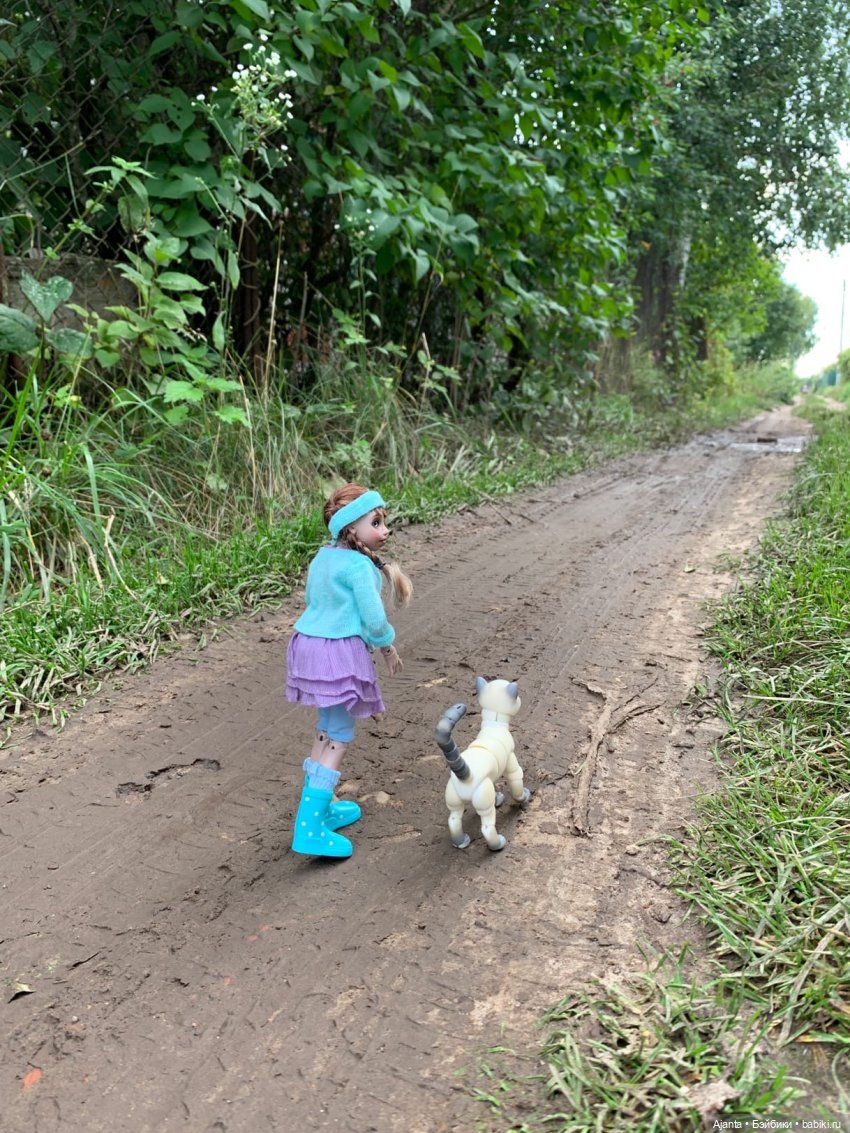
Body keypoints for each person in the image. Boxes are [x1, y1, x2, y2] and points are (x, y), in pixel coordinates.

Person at [285, 484, 413, 859]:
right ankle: (309, 827)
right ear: (351, 528)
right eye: (376, 523)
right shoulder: (359, 566)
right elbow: (373, 618)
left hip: (308, 645)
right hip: (337, 653)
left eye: (383, 522)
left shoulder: (324, 557)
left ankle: (321, 808)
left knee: (327, 727)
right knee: (339, 733)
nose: (384, 530)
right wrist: (387, 645)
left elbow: (316, 601)